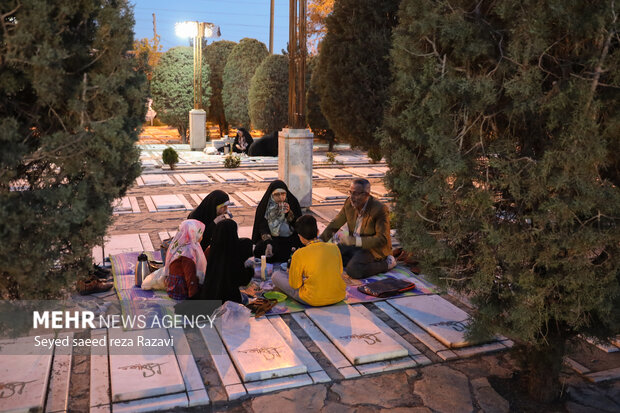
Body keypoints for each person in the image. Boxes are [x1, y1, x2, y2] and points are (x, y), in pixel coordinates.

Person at [320, 178, 396, 279]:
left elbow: (382, 239)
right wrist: (320, 241)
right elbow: (335, 224)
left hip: (371, 249)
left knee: (354, 270)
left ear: (366, 195)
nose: (352, 197)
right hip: (353, 245)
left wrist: (355, 241)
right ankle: (355, 260)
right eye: (350, 192)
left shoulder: (379, 209)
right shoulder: (349, 203)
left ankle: (387, 263)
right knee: (328, 256)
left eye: (356, 194)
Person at [272, 215, 346, 306]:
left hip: (313, 299)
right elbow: (340, 271)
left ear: (300, 237)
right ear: (318, 232)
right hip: (338, 295)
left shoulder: (299, 254)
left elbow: (295, 285)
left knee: (276, 276)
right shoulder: (334, 247)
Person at [198, 219, 255, 304]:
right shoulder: (233, 253)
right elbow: (243, 280)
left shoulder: (212, 250)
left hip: (209, 296)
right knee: (246, 299)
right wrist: (250, 269)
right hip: (229, 300)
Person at [252, 180, 303, 263]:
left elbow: (299, 225)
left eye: (283, 194)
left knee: (301, 244)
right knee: (260, 249)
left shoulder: (292, 202)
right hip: (272, 239)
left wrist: (288, 213)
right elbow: (262, 227)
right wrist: (268, 243)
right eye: (277, 194)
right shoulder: (265, 206)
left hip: (289, 238)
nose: (280, 197)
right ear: (272, 195)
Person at [165, 219, 207, 300]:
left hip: (174, 285)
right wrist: (194, 297)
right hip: (181, 290)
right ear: (193, 233)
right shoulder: (188, 252)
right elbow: (190, 277)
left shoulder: (180, 244)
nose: (202, 236)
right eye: (201, 233)